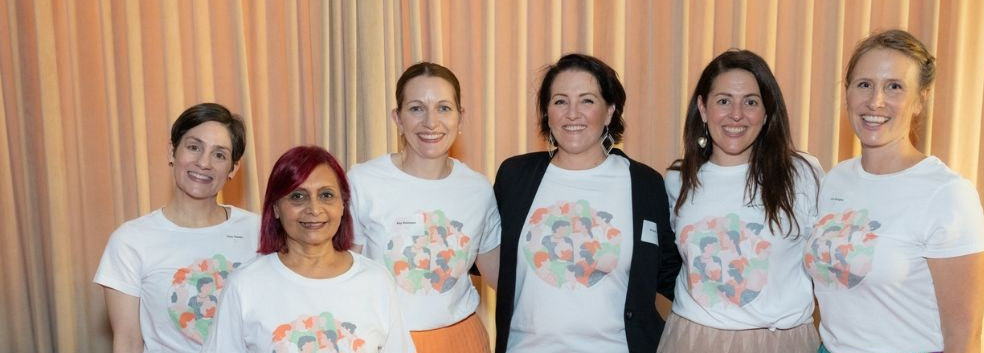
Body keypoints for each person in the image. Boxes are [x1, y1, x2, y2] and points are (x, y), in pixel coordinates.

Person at [804, 29, 984, 353]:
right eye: (864, 84)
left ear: (920, 99)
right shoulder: (834, 180)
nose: (875, 101)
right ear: (846, 92)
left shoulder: (947, 194)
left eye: (894, 87)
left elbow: (964, 338)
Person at [492, 53, 680, 353]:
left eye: (587, 101)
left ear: (609, 112)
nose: (572, 113)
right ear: (547, 113)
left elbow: (670, 273)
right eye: (560, 101)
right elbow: (487, 260)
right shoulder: (515, 177)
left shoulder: (645, 184)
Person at [657, 49, 824, 353]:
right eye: (723, 101)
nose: (737, 114)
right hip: (693, 340)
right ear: (703, 109)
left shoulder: (803, 173)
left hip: (783, 342)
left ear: (766, 112)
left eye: (750, 102)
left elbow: (826, 264)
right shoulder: (677, 180)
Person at [347, 62, 499, 352]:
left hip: (461, 339)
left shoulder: (478, 190)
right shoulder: (363, 181)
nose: (431, 122)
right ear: (398, 118)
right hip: (385, 340)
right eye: (416, 108)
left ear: (460, 117)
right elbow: (343, 275)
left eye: (443, 108)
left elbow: (502, 277)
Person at [201, 146, 413, 353]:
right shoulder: (244, 285)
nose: (314, 209)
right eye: (298, 196)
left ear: (343, 205)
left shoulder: (377, 281)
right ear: (276, 208)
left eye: (326, 195)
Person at [94, 103, 258, 352]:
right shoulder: (130, 240)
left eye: (219, 155)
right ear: (172, 152)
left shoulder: (258, 231)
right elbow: (127, 340)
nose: (204, 163)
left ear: (233, 168)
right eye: (194, 147)